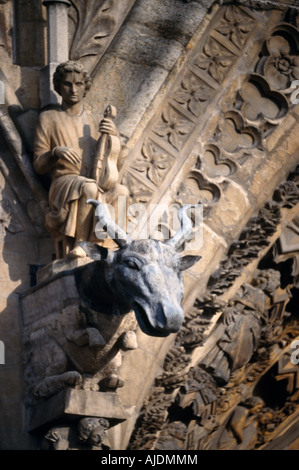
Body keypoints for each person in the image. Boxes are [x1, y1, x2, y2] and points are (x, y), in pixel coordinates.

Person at [34, 60, 120, 258]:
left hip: (94, 181)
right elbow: (38, 165)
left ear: (85, 87)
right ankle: (81, 244)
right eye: (67, 84)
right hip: (64, 184)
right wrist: (55, 152)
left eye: (79, 84)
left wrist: (114, 136)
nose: (73, 89)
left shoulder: (93, 120)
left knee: (121, 191)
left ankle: (111, 246)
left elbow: (113, 162)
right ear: (58, 87)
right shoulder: (47, 118)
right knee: (88, 187)